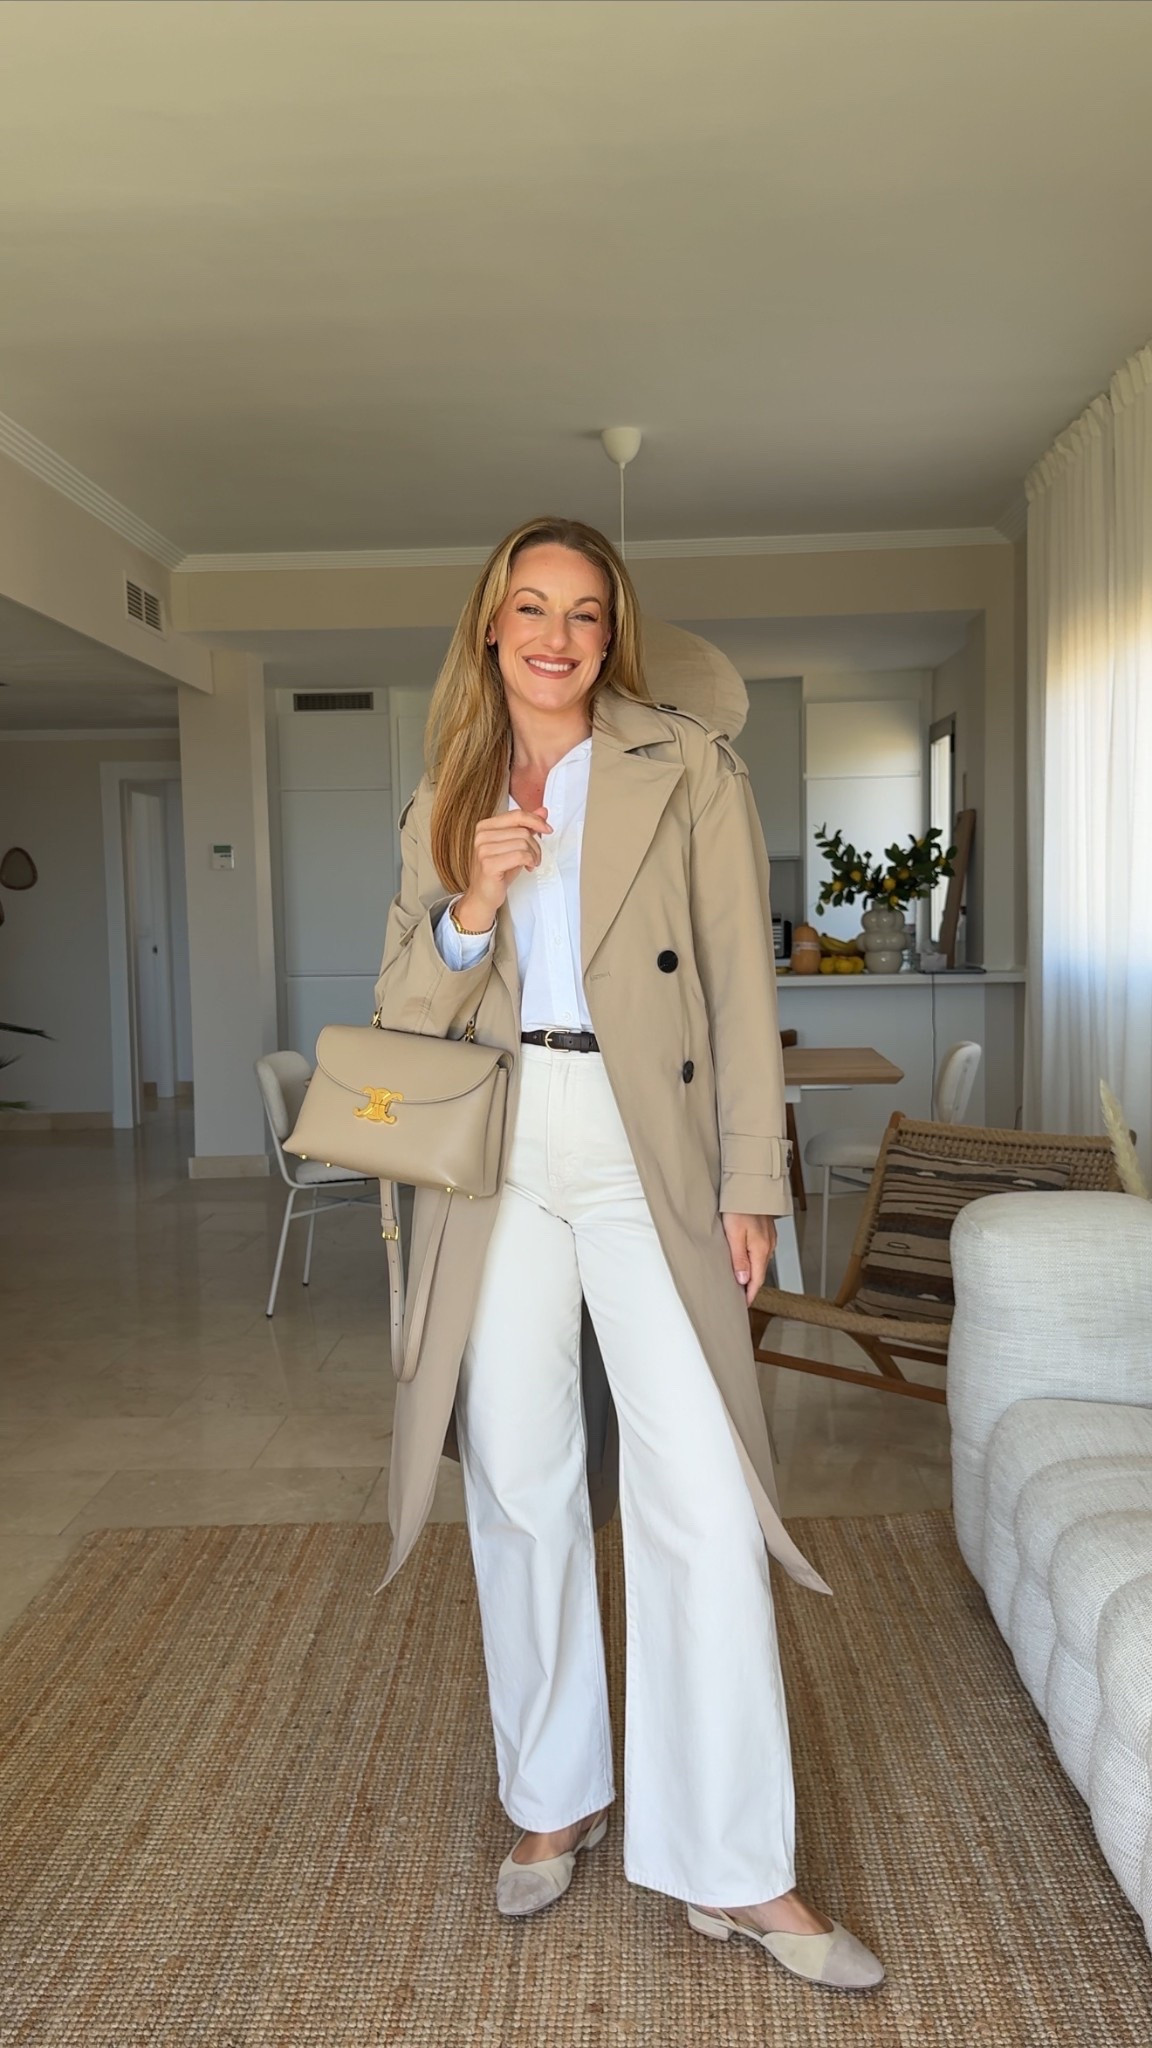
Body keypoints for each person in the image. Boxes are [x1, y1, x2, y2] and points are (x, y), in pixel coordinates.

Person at [372, 515, 884, 1995]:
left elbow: (737, 978)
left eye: (585, 613)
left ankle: (741, 1866)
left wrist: (750, 1176)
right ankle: (555, 1798)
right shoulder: (443, 796)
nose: (557, 634)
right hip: (500, 1147)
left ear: (613, 636)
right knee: (523, 1481)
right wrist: (472, 904)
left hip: (644, 1139)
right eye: (530, 606)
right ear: (489, 625)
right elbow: (406, 1007)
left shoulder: (687, 769)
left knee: (701, 1487)